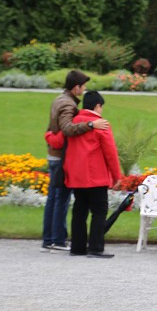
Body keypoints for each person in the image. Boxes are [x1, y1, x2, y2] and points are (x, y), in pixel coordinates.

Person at [43, 70, 109, 251]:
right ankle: (57, 240)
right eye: (83, 86)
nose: (85, 89)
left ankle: (48, 239)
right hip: (60, 156)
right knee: (61, 199)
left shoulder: (59, 99)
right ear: (76, 87)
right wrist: (90, 124)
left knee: (54, 198)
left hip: (53, 153)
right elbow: (67, 129)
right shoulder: (68, 104)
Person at [63, 91, 122, 258]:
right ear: (98, 106)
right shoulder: (101, 124)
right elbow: (110, 152)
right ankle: (96, 247)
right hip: (96, 175)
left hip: (76, 174)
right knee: (99, 210)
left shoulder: (74, 122)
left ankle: (77, 247)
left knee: (79, 211)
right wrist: (117, 176)